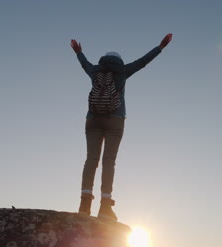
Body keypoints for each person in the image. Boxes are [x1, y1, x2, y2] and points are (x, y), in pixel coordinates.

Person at [70, 34, 173, 221]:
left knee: (91, 160)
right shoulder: (123, 71)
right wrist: (160, 47)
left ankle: (84, 205)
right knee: (109, 161)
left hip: (92, 119)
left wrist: (79, 52)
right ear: (118, 60)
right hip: (115, 120)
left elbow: (84, 64)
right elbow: (143, 62)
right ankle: (105, 207)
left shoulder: (95, 71)